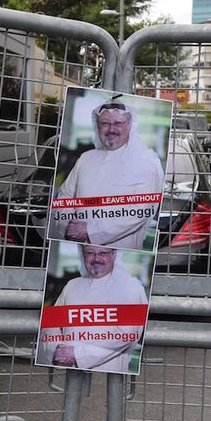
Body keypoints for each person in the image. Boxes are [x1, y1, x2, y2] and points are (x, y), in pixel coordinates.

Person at [52, 98, 165, 250]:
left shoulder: (147, 161)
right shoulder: (86, 158)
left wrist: (90, 231)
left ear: (130, 125)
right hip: (78, 248)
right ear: (97, 126)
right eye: (105, 123)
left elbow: (141, 210)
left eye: (118, 123)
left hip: (122, 252)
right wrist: (69, 225)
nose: (111, 129)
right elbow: (65, 196)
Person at [38, 244, 148, 373]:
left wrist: (77, 355)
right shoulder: (72, 285)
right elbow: (51, 323)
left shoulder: (131, 288)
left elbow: (127, 335)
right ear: (83, 254)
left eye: (103, 253)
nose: (96, 259)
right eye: (90, 252)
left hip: (111, 373)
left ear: (114, 254)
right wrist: (56, 349)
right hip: (69, 368)